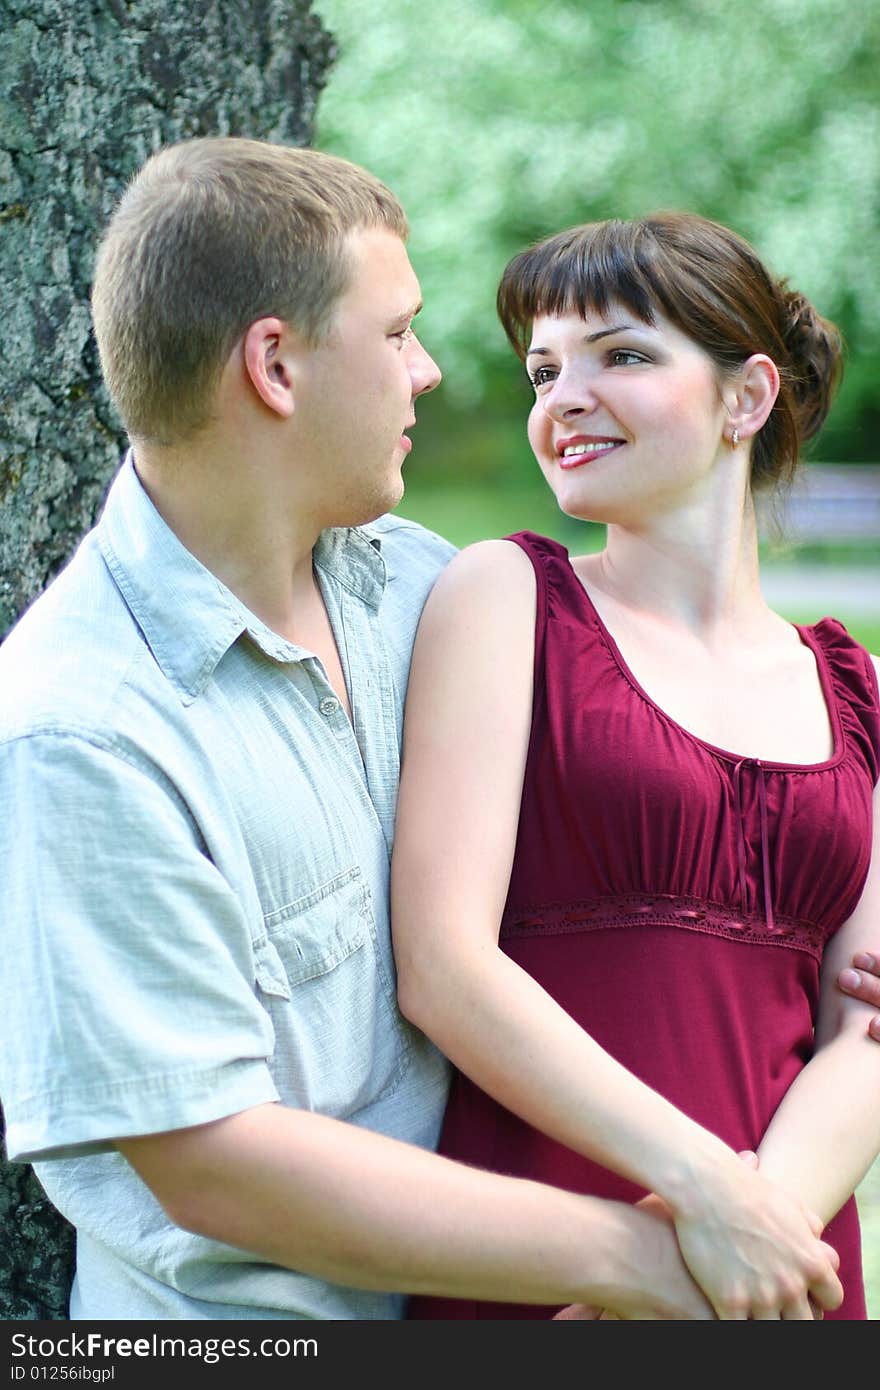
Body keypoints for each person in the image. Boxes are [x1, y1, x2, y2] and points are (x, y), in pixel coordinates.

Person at [0, 144, 876, 1324]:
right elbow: (210, 1159)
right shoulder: (84, 729)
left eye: (616, 355)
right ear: (274, 365)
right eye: (398, 333)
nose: (428, 372)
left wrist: (751, 1221)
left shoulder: (405, 585)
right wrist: (658, 1260)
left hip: (695, 1263)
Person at [393, 212, 880, 1320]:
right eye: (542, 369)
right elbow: (442, 966)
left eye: (620, 355)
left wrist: (735, 1242)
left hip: (775, 1273)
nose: (561, 397)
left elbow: (869, 1027)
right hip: (548, 1257)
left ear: (744, 398)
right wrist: (686, 1216)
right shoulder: (505, 598)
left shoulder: (862, 694)